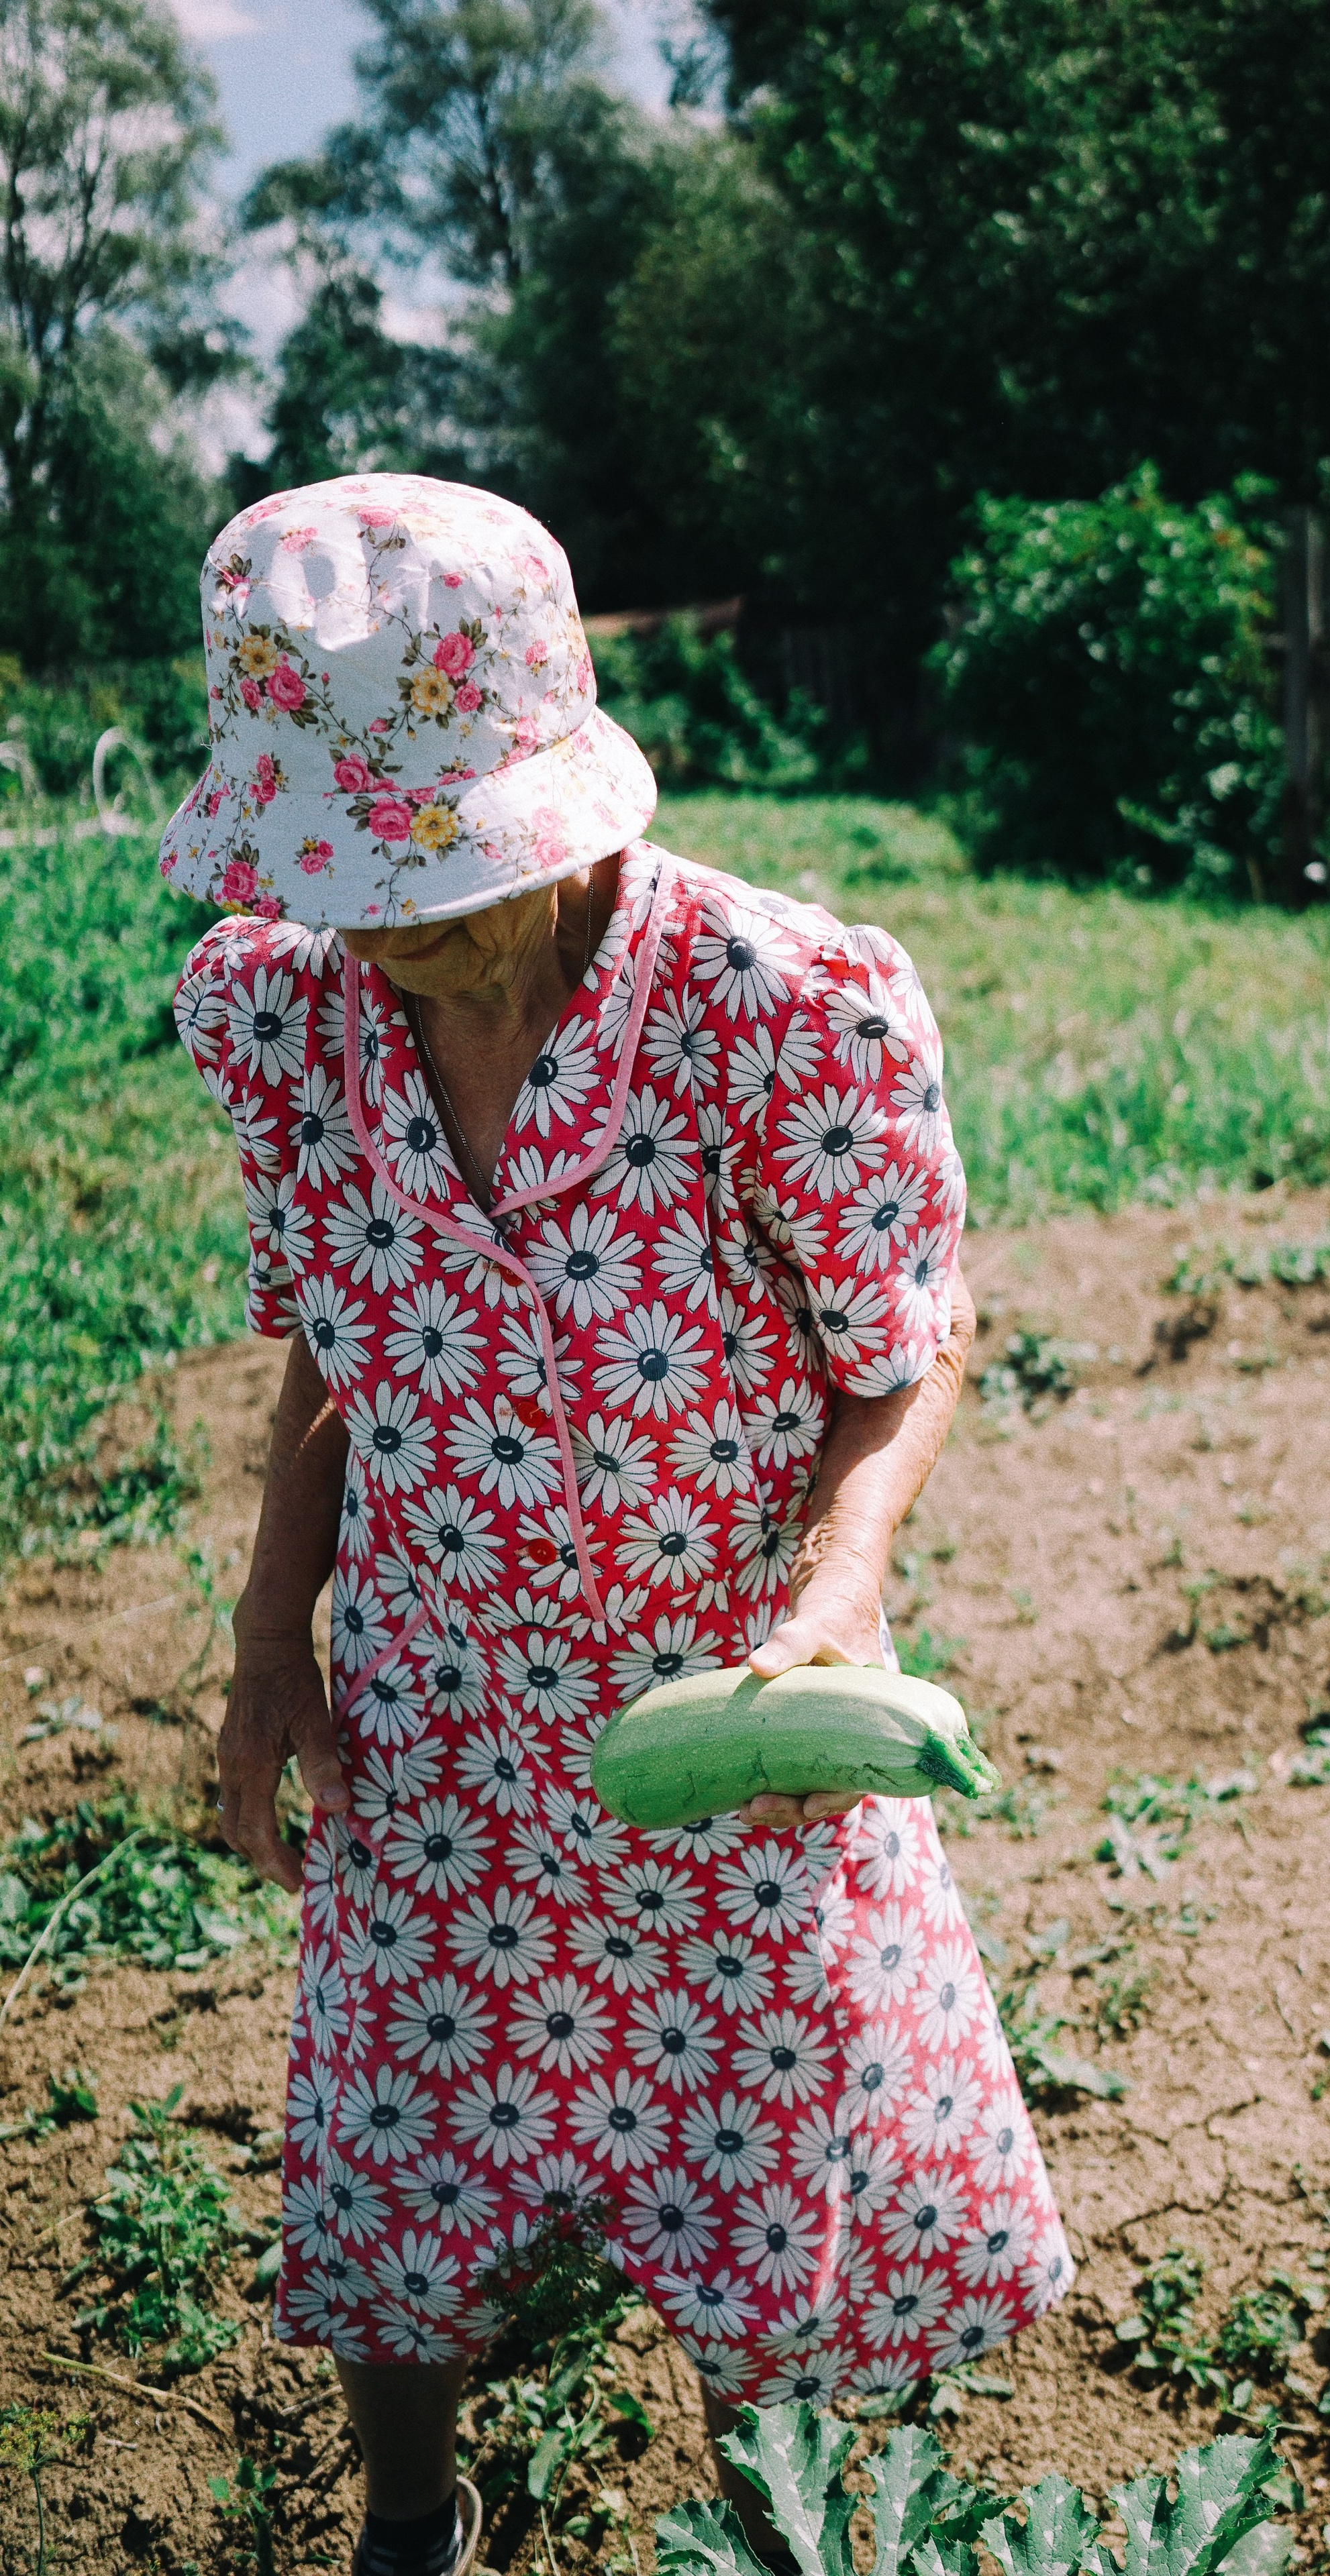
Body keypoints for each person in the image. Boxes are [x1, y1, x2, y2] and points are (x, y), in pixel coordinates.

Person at [161, 474, 1073, 2576]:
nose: (396, 923)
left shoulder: (776, 1007)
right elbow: (338, 1354)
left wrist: (839, 1592)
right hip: (439, 1727)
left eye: (446, 871)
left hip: (720, 1728)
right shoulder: (291, 1022)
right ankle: (413, 2519)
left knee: (761, 2188)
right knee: (389, 2176)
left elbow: (908, 1341)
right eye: (347, 874)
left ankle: (778, 2525)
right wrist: (271, 1651)